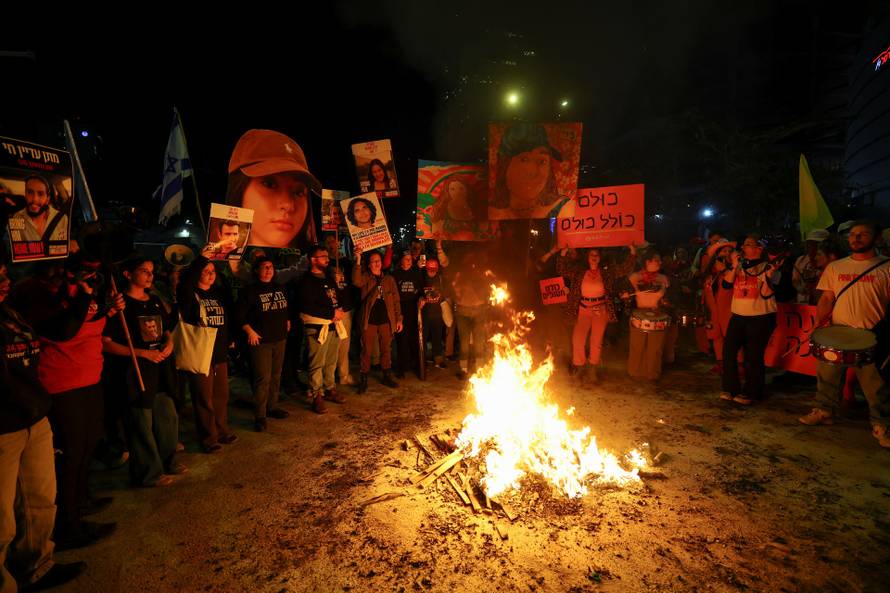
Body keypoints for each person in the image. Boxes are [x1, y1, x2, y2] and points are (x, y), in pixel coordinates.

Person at [0, 262, 87, 592]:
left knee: (40, 500)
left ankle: (36, 565)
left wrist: (81, 294)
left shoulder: (13, 311)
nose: (3, 282)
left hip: (34, 417)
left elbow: (62, 328)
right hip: (4, 426)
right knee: (2, 520)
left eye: (5, 275)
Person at [799, 220, 890, 448]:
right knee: (827, 376)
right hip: (837, 333)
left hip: (871, 336)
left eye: (863, 234)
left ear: (876, 238)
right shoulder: (835, 267)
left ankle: (881, 424)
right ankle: (824, 411)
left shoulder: (887, 267)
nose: (856, 238)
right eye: (853, 234)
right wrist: (819, 322)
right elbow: (827, 298)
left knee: (876, 384)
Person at [102, 257, 185, 487]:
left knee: (167, 417)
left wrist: (169, 343)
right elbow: (105, 342)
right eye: (144, 271)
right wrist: (140, 353)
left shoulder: (155, 301)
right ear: (128, 274)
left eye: (151, 271)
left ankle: (169, 460)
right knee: (141, 423)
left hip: (161, 369)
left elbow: (167, 329)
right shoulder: (119, 306)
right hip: (135, 372)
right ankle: (148, 472)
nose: (150, 275)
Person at [177, 249, 237, 453]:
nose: (211, 274)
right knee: (203, 397)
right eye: (205, 271)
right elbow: (185, 284)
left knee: (221, 395)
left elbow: (228, 314)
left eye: (213, 271)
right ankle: (208, 437)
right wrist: (202, 258)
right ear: (196, 274)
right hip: (200, 353)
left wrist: (225, 258)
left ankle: (222, 430)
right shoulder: (188, 295)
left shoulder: (218, 294)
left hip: (219, 353)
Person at [226, 129, 320, 250]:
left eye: (299, 192)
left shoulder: (322, 265)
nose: (288, 205)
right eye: (269, 184)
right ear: (239, 190)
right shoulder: (212, 267)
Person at [556, 244, 636, 382]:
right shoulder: (579, 272)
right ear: (587, 257)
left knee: (596, 341)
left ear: (600, 258)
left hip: (600, 309)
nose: (594, 257)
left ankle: (593, 367)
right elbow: (562, 269)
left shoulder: (607, 273)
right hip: (583, 309)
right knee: (578, 339)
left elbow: (624, 269)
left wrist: (632, 252)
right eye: (591, 255)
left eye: (596, 255)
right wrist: (563, 252)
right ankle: (579, 365)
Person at [719, 236, 778, 405]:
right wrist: (735, 264)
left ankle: (753, 391)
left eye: (749, 245)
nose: (743, 248)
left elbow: (768, 292)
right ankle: (730, 387)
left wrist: (768, 275)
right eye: (743, 244)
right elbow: (726, 285)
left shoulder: (768, 266)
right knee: (729, 351)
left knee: (753, 356)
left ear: (759, 249)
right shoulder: (739, 266)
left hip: (761, 317)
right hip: (738, 316)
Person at [235, 257, 291, 431]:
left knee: (276, 375)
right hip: (261, 341)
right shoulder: (249, 291)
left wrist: (287, 319)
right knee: (262, 378)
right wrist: (249, 330)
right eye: (264, 267)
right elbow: (238, 315)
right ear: (256, 270)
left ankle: (271, 406)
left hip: (279, 338)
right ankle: (260, 415)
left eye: (271, 266)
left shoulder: (279, 288)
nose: (268, 270)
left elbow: (284, 307)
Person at [298, 245, 347, 413]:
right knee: (316, 362)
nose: (327, 259)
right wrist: (331, 313)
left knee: (331, 360)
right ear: (313, 259)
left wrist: (339, 309)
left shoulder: (328, 278)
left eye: (327, 256)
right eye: (323, 256)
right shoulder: (306, 281)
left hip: (333, 324)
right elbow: (307, 306)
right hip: (317, 327)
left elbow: (337, 298)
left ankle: (330, 388)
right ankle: (316, 394)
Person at [489, 123, 564, 219]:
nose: (533, 172)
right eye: (523, 160)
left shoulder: (562, 208)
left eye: (542, 161)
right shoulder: (490, 214)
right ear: (504, 165)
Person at [353, 247, 401, 393]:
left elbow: (396, 301)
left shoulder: (388, 279)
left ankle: (386, 375)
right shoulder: (366, 277)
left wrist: (399, 319)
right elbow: (356, 282)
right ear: (369, 264)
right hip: (370, 320)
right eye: (373, 262)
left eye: (378, 261)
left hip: (386, 320)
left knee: (386, 349)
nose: (376, 264)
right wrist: (358, 259)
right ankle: (364, 379)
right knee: (366, 350)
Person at [626, 251, 670, 381]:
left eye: (660, 260)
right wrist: (625, 296)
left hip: (657, 316)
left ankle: (652, 374)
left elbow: (667, 298)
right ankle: (634, 372)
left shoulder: (663, 279)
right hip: (639, 315)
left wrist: (666, 302)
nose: (660, 263)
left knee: (655, 348)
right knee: (637, 345)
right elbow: (626, 294)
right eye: (657, 260)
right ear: (647, 262)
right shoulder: (635, 277)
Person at [702, 239, 736, 375]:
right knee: (716, 337)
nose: (727, 254)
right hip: (713, 311)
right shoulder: (710, 275)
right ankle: (720, 363)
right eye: (723, 251)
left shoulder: (734, 270)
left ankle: (738, 366)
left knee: (732, 338)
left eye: (729, 251)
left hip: (730, 310)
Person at [7, 175, 68, 248]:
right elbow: (11, 247)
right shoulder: (16, 218)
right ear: (25, 194)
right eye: (30, 192)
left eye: (40, 194)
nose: (34, 199)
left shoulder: (62, 219)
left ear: (47, 199)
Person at [392, 251, 422, 378]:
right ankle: (401, 367)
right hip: (401, 309)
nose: (409, 261)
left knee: (414, 337)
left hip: (414, 308)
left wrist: (422, 298)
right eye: (406, 259)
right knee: (401, 339)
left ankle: (416, 365)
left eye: (410, 259)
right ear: (401, 261)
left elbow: (421, 289)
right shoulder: (395, 275)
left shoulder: (417, 273)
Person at [420, 257, 448, 369]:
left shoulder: (440, 279)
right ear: (426, 268)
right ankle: (423, 360)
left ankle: (438, 360)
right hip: (424, 314)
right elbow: (417, 293)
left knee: (437, 338)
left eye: (434, 268)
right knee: (424, 338)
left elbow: (445, 293)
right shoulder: (422, 278)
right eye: (429, 268)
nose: (432, 270)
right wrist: (421, 298)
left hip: (437, 314)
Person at [792, 229, 829, 304]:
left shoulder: (830, 261)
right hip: (804, 303)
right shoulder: (801, 260)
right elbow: (795, 280)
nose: (812, 246)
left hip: (823, 302)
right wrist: (802, 289)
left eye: (816, 243)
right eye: (810, 243)